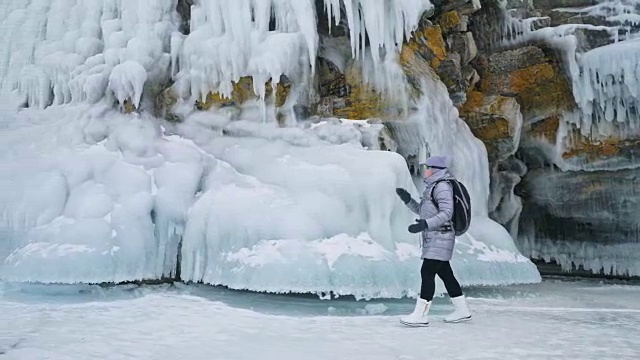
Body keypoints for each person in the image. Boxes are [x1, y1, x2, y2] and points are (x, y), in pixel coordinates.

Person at [395, 155, 471, 326]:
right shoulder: (433, 186)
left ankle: (420, 315)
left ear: (435, 169)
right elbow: (424, 211)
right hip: (434, 236)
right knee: (445, 274)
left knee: (427, 272)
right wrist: (408, 200)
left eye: (427, 167)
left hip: (441, 236)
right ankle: (462, 310)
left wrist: (425, 225)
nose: (424, 171)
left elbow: (446, 213)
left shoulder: (442, 186)